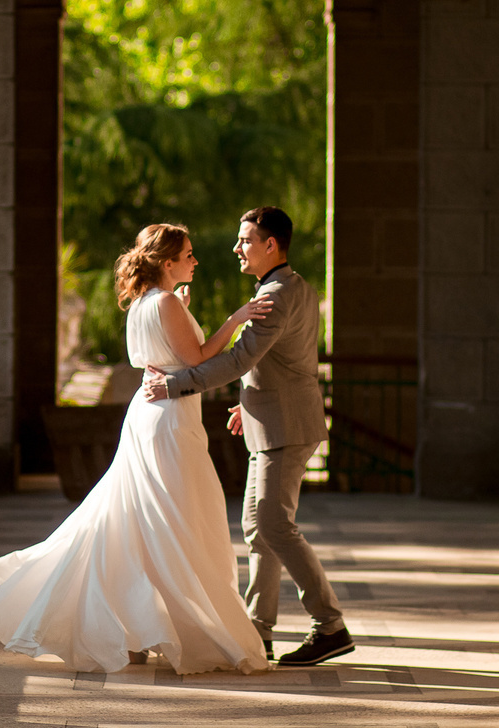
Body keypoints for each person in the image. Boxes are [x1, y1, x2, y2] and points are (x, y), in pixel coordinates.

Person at [0, 224, 274, 674]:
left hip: (155, 415)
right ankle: (160, 628)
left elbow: (172, 351)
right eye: (188, 255)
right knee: (174, 519)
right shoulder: (166, 301)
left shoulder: (145, 303)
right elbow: (197, 360)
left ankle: (135, 629)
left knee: (147, 519)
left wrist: (186, 315)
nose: (195, 261)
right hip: (168, 419)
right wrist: (237, 318)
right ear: (167, 262)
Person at [142, 206, 352, 668]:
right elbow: (285, 360)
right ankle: (259, 630)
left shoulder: (275, 294)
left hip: (286, 427)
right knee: (259, 529)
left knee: (274, 525)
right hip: (274, 418)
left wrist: (175, 384)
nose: (237, 248)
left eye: (246, 240)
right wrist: (250, 401)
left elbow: (240, 358)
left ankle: (330, 626)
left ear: (270, 245)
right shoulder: (290, 286)